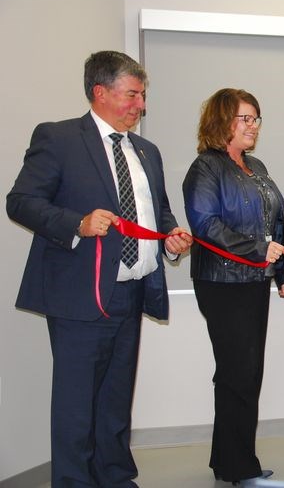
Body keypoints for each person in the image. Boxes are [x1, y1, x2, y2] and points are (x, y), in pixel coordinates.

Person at [6, 50, 192, 487]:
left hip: (130, 291)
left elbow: (157, 212)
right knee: (75, 403)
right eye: (132, 95)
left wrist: (171, 240)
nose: (140, 105)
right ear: (100, 92)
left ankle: (115, 477)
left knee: (115, 398)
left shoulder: (147, 151)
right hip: (78, 295)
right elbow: (21, 202)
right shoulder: (59, 138)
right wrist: (77, 223)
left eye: (142, 96)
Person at [182, 88, 284, 486]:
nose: (253, 127)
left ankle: (234, 459)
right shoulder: (205, 168)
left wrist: (283, 273)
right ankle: (236, 466)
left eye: (256, 119)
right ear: (221, 121)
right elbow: (206, 226)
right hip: (222, 282)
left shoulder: (255, 165)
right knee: (236, 372)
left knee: (248, 373)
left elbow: (274, 221)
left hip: (254, 282)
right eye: (244, 118)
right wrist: (258, 249)